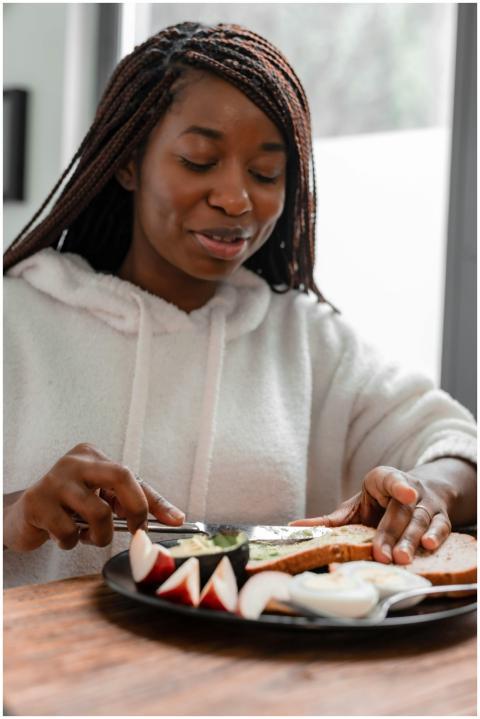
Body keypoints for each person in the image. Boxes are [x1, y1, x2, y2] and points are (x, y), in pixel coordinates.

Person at [3, 21, 476, 588]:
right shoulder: (17, 321)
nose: (235, 199)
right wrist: (17, 512)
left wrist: (429, 490)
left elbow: (456, 444)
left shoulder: (306, 341)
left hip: (253, 674)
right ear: (128, 164)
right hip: (44, 671)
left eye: (266, 173)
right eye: (199, 160)